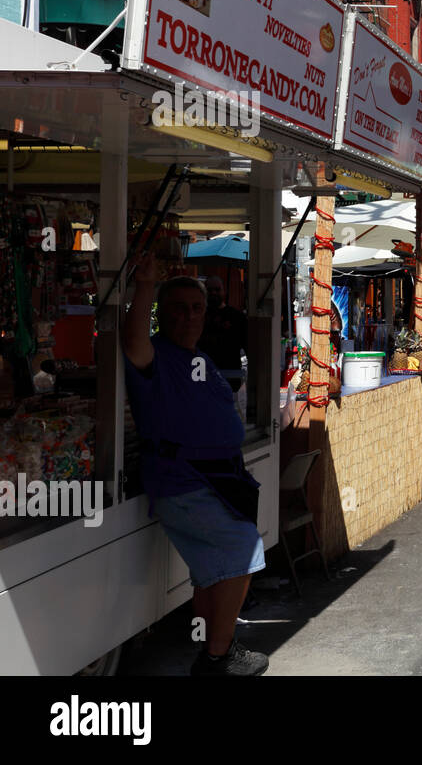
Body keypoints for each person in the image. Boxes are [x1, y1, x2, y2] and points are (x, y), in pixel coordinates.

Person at [123, 254, 268, 675]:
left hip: (216, 481)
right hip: (184, 482)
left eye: (197, 307)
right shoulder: (155, 355)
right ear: (161, 313)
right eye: (178, 308)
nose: (188, 316)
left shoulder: (196, 357)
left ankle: (214, 648)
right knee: (245, 551)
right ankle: (217, 659)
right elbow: (133, 342)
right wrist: (145, 285)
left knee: (210, 574)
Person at [199, 276, 248, 393]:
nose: (213, 293)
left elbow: (249, 346)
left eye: (217, 289)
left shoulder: (237, 317)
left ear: (224, 292)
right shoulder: (196, 316)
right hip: (200, 377)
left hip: (230, 379)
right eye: (209, 290)